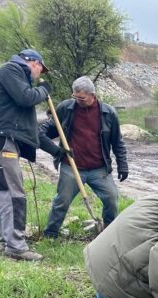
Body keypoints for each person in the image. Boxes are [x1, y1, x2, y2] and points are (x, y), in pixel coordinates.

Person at [0, 49, 55, 261]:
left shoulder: (13, 74)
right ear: (33, 62)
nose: (40, 75)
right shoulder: (11, 69)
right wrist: (44, 91)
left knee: (6, 192)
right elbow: (26, 98)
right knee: (14, 193)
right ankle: (16, 246)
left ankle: (7, 240)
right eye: (41, 69)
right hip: (1, 139)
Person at [40, 76, 128, 238]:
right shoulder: (65, 108)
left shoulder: (108, 113)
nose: (78, 101)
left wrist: (123, 165)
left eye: (82, 98)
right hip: (71, 166)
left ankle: (108, 233)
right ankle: (50, 234)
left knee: (111, 199)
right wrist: (48, 135)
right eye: (75, 97)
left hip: (99, 168)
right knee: (62, 201)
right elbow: (52, 130)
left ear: (92, 95)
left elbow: (117, 142)